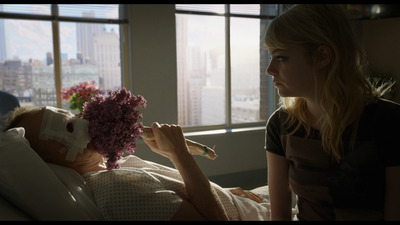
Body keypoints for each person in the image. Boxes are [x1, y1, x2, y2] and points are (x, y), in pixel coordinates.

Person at [3, 106, 268, 221]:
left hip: (246, 202)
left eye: (72, 117)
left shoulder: (112, 167)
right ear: (50, 162)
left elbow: (184, 198)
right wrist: (179, 154)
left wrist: (218, 192)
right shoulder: (116, 188)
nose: (81, 125)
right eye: (66, 131)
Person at [264, 4, 400, 221]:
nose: (270, 69)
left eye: (281, 57)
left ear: (322, 56)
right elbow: (279, 216)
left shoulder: (389, 121)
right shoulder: (281, 124)